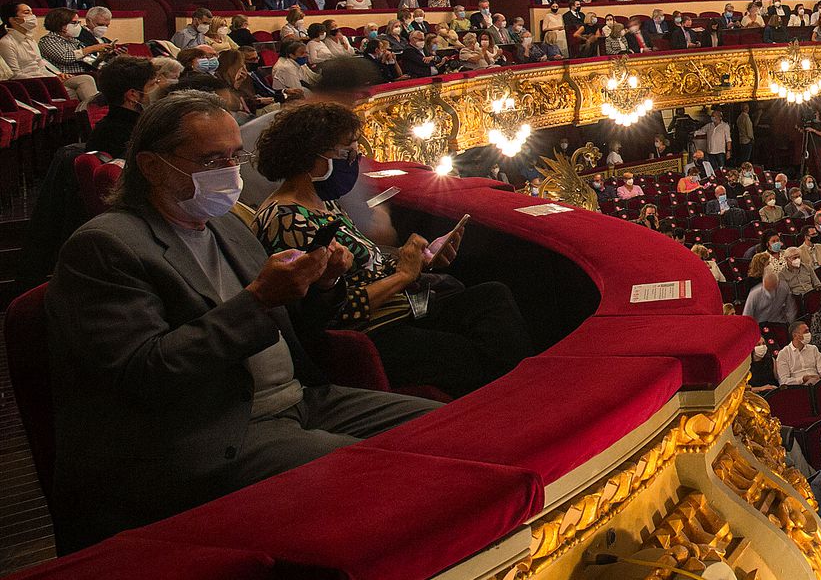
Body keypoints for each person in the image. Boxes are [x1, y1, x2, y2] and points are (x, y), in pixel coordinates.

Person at [43, 92, 436, 547]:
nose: (230, 171)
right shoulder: (106, 247)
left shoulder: (226, 224)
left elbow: (295, 327)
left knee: (444, 430)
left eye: (235, 156)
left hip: (301, 398)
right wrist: (256, 300)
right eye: (211, 159)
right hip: (215, 427)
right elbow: (142, 373)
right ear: (151, 166)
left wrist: (322, 284)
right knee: (382, 479)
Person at [252, 103, 530, 395]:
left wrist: (415, 258)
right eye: (347, 153)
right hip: (372, 334)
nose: (355, 161)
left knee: (492, 296)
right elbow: (327, 312)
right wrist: (404, 276)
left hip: (396, 309)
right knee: (484, 349)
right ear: (311, 157)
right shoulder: (289, 219)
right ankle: (517, 401)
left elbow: (363, 266)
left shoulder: (321, 201)